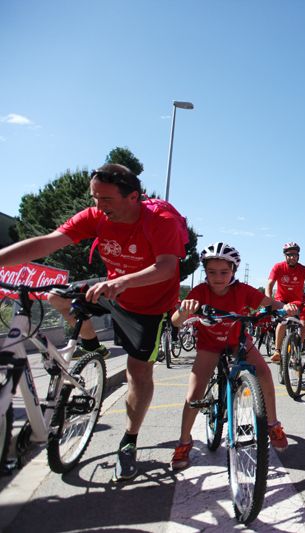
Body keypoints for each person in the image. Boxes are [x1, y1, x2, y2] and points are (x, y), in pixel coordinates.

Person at [0, 163, 185, 482]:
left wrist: (124, 281)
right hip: (112, 291)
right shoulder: (96, 216)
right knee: (57, 297)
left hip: (149, 307)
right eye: (94, 197)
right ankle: (92, 349)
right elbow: (49, 241)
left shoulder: (159, 220)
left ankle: (129, 440)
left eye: (106, 199)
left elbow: (167, 267)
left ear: (133, 197)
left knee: (138, 373)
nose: (98, 206)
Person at [170, 242, 291, 470]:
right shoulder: (200, 292)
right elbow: (176, 321)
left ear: (234, 271)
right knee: (194, 394)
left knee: (264, 373)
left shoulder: (242, 290)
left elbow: (271, 303)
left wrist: (285, 308)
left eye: (224, 272)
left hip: (237, 341)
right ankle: (184, 441)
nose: (218, 277)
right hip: (209, 345)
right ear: (204, 272)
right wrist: (184, 311)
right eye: (212, 272)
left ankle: (273, 424)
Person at [266, 242, 305, 362]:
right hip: (281, 301)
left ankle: (299, 346)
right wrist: (268, 300)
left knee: (304, 323)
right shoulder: (278, 267)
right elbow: (269, 284)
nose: (293, 257)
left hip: (297, 301)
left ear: (298, 256)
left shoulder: (304, 269)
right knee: (283, 321)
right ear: (285, 255)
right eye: (290, 255)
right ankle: (277, 351)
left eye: (295, 255)